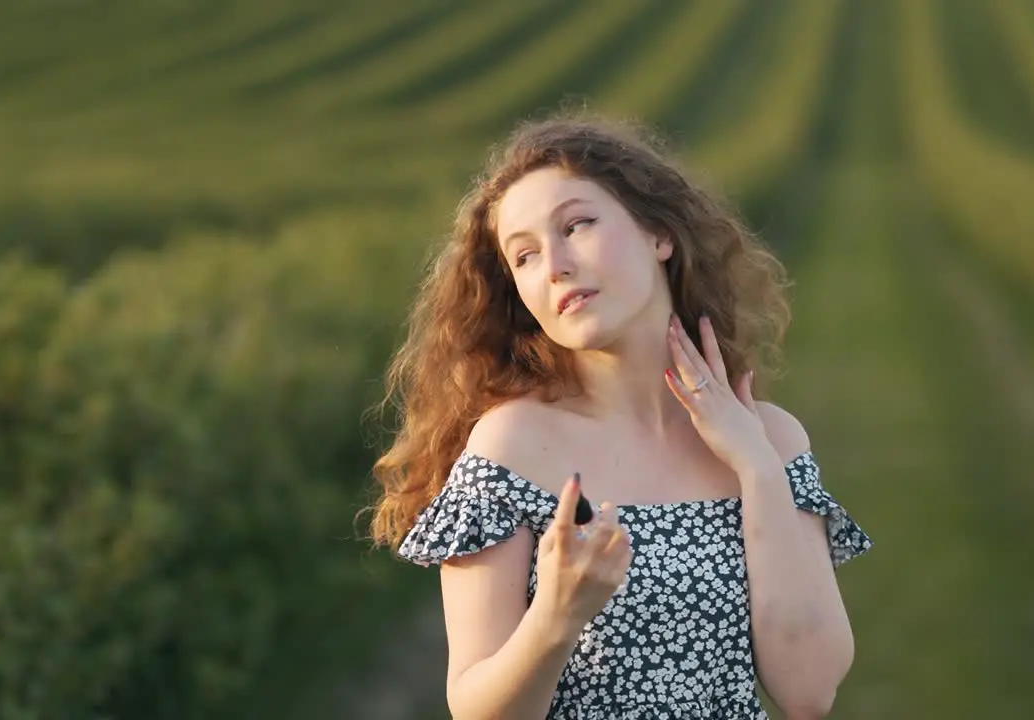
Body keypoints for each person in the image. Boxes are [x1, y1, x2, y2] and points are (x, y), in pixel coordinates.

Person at [365, 111, 872, 719]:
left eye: (576, 225)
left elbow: (808, 692)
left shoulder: (772, 441)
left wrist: (757, 469)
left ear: (659, 234)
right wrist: (555, 617)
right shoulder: (512, 446)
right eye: (523, 257)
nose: (553, 265)